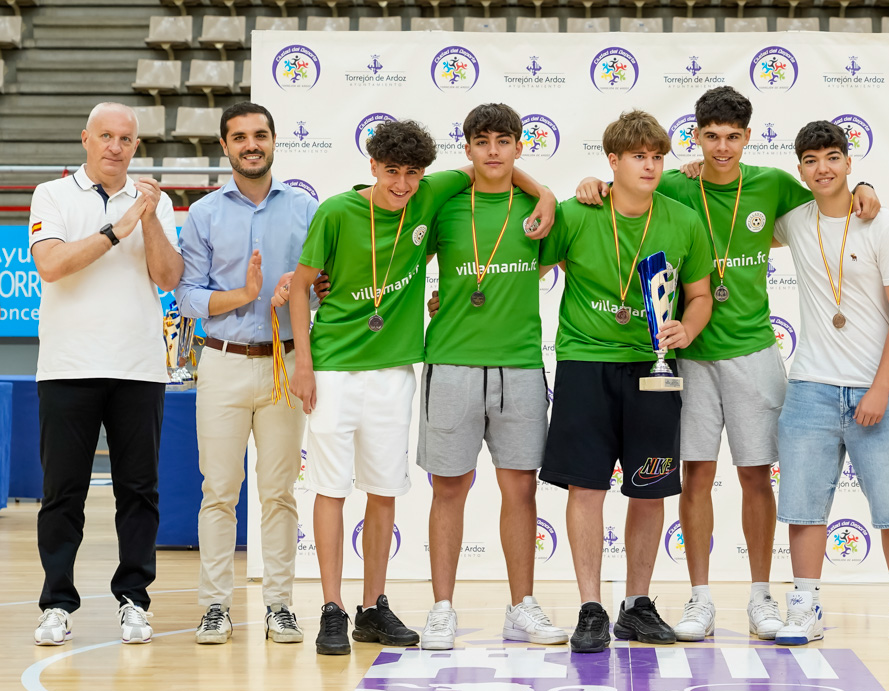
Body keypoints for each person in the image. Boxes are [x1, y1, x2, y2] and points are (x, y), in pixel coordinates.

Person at [575, 87, 880, 642]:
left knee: (756, 475)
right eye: (710, 136)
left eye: (732, 137)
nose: (721, 147)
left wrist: (863, 186)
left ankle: (761, 596)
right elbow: (620, 183)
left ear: (748, 137)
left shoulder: (772, 184)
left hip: (753, 351)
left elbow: (828, 191)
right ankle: (700, 598)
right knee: (695, 474)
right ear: (695, 136)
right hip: (685, 356)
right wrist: (592, 184)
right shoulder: (670, 181)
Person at [288, 119, 555, 656]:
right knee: (331, 489)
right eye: (392, 172)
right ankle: (332, 608)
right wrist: (303, 363)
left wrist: (545, 191)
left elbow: (488, 167)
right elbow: (300, 286)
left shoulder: (433, 191)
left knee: (384, 490)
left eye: (412, 174)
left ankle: (373, 606)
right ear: (372, 166)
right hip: (335, 368)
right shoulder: (337, 211)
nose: (403, 184)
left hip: (397, 369)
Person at [540, 109, 713, 654]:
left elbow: (701, 293)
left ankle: (636, 605)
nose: (651, 165)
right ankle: (591, 606)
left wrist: (690, 325)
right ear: (612, 161)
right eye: (638, 156)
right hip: (585, 364)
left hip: (655, 367)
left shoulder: (683, 219)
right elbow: (529, 269)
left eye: (658, 156)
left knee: (650, 487)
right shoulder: (576, 212)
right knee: (587, 487)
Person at [770, 121, 889, 648]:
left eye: (833, 157)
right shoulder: (793, 220)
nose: (823, 168)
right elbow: (734, 214)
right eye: (811, 160)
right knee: (802, 506)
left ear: (850, 162)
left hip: (877, 387)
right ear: (801, 170)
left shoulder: (881, 226)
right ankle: (804, 605)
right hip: (811, 387)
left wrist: (880, 387)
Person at [29, 102, 183, 646]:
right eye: (106, 136)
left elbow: (168, 277)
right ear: (86, 140)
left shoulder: (150, 202)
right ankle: (56, 604)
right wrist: (118, 229)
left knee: (139, 492)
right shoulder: (52, 194)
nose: (116, 146)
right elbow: (51, 265)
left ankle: (134, 600)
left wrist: (148, 218)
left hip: (139, 367)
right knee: (62, 493)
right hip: (68, 367)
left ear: (136, 146)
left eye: (126, 138)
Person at [176, 102, 327, 646]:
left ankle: (280, 605)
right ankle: (215, 606)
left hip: (286, 364)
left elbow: (323, 283)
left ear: (274, 140)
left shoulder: (307, 209)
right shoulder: (203, 213)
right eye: (239, 137)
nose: (251, 144)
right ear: (224, 146)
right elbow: (186, 295)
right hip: (222, 363)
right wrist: (241, 294)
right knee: (219, 491)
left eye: (260, 134)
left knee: (280, 492)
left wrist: (318, 288)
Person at [417, 104, 566, 650]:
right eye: (482, 141)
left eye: (504, 141)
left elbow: (575, 264)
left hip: (521, 364)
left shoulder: (539, 209)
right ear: (469, 149)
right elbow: (400, 257)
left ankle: (521, 606)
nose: (494, 151)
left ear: (520, 147)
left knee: (520, 488)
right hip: (452, 360)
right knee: (448, 488)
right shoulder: (444, 202)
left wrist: (547, 192)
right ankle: (441, 608)